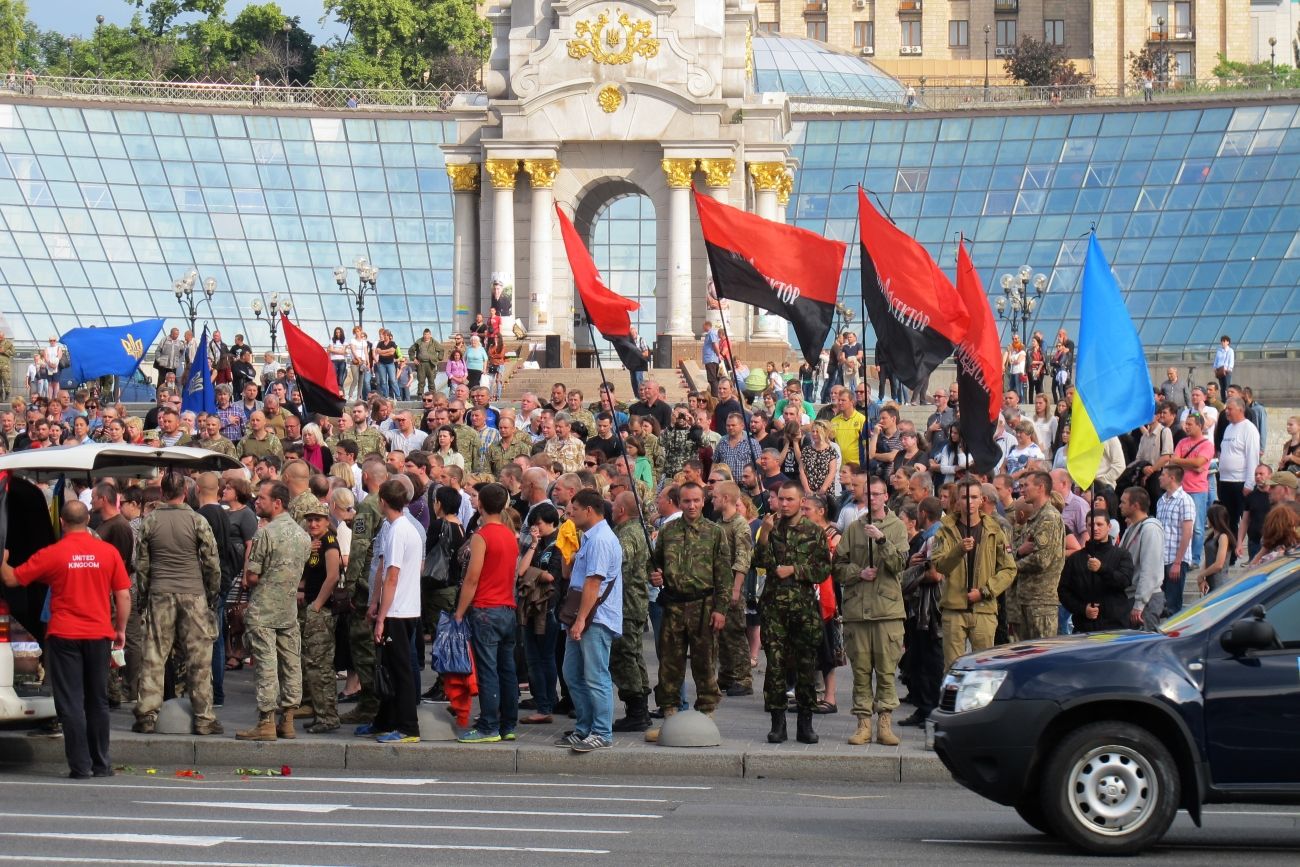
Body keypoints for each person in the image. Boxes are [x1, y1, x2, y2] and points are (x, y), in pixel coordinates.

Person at [1, 501, 129, 779]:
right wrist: (120, 629)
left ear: (62, 522)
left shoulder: (54, 553)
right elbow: (123, 595)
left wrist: (2, 558)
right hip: (99, 633)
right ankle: (101, 764)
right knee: (97, 700)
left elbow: (11, 579)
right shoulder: (108, 552)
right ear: (88, 520)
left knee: (70, 702)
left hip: (64, 634)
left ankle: (80, 766)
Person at [132, 472, 223, 736]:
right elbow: (211, 563)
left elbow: (142, 565)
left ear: (162, 492)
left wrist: (144, 596)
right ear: (185, 491)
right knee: (199, 658)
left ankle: (147, 715)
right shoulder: (197, 520)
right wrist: (211, 594)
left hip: (160, 592)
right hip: (193, 593)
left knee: (154, 656)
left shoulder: (150, 521)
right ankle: (204, 718)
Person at [645, 482, 729, 742]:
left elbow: (724, 575)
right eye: (686, 501)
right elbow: (653, 562)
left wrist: (721, 609)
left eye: (695, 500)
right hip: (673, 605)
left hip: (704, 605)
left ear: (703, 501)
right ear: (679, 503)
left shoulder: (715, 532)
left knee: (705, 663)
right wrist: (654, 575)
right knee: (670, 663)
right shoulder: (668, 530)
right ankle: (670, 717)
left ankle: (706, 716)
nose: (691, 506)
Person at [833, 476, 909, 747]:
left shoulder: (897, 527)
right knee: (861, 671)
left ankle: (884, 723)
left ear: (886, 496)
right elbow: (837, 566)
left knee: (887, 672)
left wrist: (882, 540)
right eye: (869, 494)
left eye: (878, 494)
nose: (873, 498)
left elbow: (899, 564)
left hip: (887, 611)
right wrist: (858, 573)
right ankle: (863, 723)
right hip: (858, 611)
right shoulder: (854, 528)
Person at [753, 481, 830, 745]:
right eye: (781, 499)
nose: (784, 504)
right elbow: (759, 561)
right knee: (775, 667)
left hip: (803, 609)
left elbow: (823, 569)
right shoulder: (771, 527)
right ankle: (778, 723)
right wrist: (764, 534)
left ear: (801, 502)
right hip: (774, 608)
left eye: (789, 500)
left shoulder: (814, 531)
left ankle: (805, 723)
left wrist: (795, 570)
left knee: (805, 666)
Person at [236, 482, 312, 741]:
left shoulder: (264, 534)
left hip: (264, 609)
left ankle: (266, 722)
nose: (257, 502)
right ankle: (288, 721)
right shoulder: (303, 536)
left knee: (266, 666)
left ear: (277, 503)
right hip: (288, 610)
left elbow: (252, 576)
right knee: (291, 663)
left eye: (262, 498)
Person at [559, 488, 624, 752]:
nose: (570, 515)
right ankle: (584, 728)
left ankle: (601, 732)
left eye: (574, 510)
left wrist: (581, 620)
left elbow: (593, 583)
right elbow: (571, 575)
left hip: (595, 618)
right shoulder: (589, 537)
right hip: (585, 616)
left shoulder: (600, 540)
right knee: (572, 673)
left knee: (596, 675)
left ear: (588, 510)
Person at [455, 483, 520, 744]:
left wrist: (460, 611)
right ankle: (508, 724)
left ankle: (488, 725)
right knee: (507, 669)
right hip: (507, 607)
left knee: (488, 670)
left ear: (480, 504)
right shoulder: (509, 535)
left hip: (485, 608)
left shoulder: (481, 536)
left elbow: (472, 578)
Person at [360, 479, 424, 743]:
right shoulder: (401, 528)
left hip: (398, 610)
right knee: (386, 667)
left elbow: (392, 576)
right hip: (402, 607)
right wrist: (374, 603)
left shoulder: (398, 531)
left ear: (383, 501)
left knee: (399, 670)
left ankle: (408, 727)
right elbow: (386, 570)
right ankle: (384, 720)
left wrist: (381, 617)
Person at [932, 478, 1016, 668]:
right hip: (954, 608)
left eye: (974, 497)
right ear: (958, 501)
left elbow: (1009, 569)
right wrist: (958, 550)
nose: (969, 502)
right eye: (964, 497)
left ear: (982, 500)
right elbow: (939, 566)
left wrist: (985, 591)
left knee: (984, 668)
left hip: (984, 608)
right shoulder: (944, 530)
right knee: (953, 668)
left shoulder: (995, 530)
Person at [299, 502, 342, 734]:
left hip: (321, 612)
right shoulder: (314, 543)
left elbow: (333, 576)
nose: (313, 524)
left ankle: (328, 717)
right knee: (312, 666)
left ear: (327, 521)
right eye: (310, 520)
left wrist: (317, 605)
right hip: (312, 607)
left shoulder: (329, 542)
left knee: (321, 666)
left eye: (318, 519)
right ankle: (320, 713)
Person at [1008, 471, 1067, 640]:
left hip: (1041, 603)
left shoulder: (1048, 518)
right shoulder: (1036, 517)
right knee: (1026, 652)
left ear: (1040, 487)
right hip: (1027, 600)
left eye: (1026, 485)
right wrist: (1018, 553)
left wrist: (1011, 567)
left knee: (1041, 651)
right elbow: (1019, 549)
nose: (1022, 490)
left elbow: (1041, 560)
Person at [1058, 510, 1134, 633]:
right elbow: (1063, 591)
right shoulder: (1075, 559)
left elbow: (1125, 580)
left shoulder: (1122, 555)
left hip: (1115, 626)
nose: (1095, 528)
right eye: (1090, 525)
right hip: (1084, 627)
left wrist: (1101, 569)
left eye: (1099, 524)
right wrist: (1082, 609)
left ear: (1109, 526)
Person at [712, 481, 755, 698]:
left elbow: (743, 559)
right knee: (722, 634)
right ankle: (727, 675)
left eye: (715, 497)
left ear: (726, 498)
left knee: (736, 633)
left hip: (731, 586)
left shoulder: (740, 524)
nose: (712, 500)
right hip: (718, 587)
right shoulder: (720, 524)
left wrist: (736, 589)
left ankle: (743, 678)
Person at [1118, 487, 1166, 631]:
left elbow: (1149, 569)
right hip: (1132, 597)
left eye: (1123, 502)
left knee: (1146, 642)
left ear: (1135, 506)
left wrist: (1140, 604)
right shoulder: (1131, 528)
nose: (1120, 505)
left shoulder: (1150, 529)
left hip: (1147, 600)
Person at [1196, 503, 1236, 595]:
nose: (1207, 520)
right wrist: (1202, 578)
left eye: (1208, 517)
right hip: (1210, 582)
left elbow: (1219, 565)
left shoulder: (1223, 537)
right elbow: (1207, 559)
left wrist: (1202, 575)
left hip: (1220, 583)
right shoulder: (1212, 536)